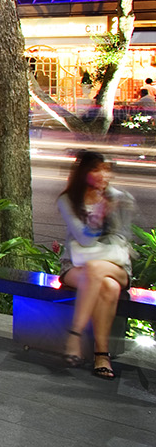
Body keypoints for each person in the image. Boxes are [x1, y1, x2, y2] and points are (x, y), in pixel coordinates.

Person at [57, 150, 136, 378]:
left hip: (115, 266)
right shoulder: (68, 200)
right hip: (74, 265)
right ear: (83, 173)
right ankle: (102, 355)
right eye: (95, 169)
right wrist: (99, 214)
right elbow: (84, 239)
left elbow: (123, 238)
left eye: (105, 169)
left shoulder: (118, 198)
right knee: (108, 287)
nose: (102, 174)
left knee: (96, 269)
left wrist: (112, 208)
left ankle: (75, 335)